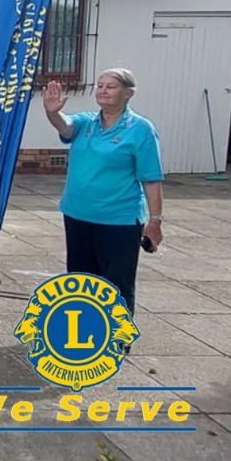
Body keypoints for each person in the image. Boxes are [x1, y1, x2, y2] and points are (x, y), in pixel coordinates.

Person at [42, 71, 164, 314]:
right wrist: (52, 113)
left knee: (117, 285)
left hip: (118, 220)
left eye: (111, 86)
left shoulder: (140, 129)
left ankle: (117, 332)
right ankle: (85, 330)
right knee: (80, 282)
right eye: (100, 86)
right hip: (78, 214)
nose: (103, 90)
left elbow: (151, 179)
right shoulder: (87, 122)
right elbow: (66, 127)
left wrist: (155, 221)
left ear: (128, 93)